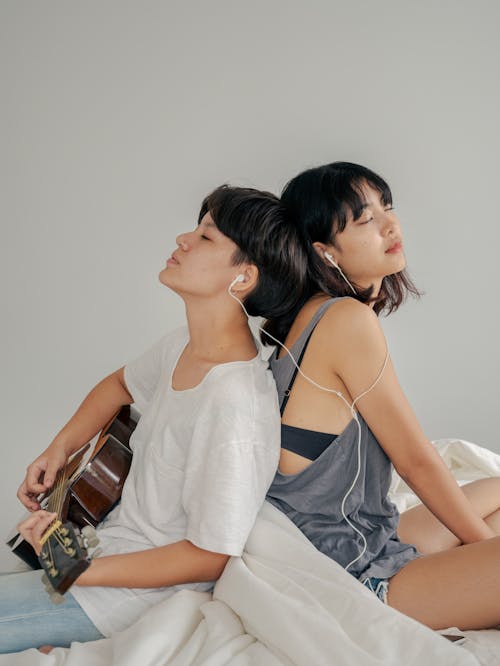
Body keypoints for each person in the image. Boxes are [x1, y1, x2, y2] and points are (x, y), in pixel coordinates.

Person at [1, 185, 306, 654]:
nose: (184, 238)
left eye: (206, 237)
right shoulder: (183, 345)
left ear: (242, 278)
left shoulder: (234, 405)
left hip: (129, 598)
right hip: (104, 551)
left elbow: (210, 556)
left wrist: (75, 568)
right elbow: (118, 386)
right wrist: (59, 449)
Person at [263, 161, 500, 631]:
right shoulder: (346, 320)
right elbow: (416, 461)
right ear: (325, 251)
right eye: (365, 219)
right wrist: (483, 554)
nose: (391, 224)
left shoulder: (311, 316)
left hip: (361, 541)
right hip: (350, 576)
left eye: (386, 207)